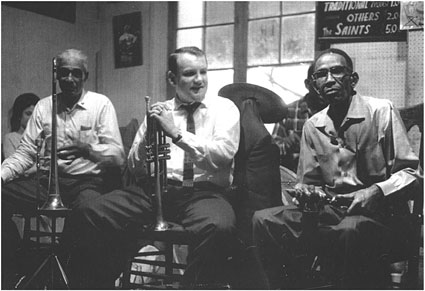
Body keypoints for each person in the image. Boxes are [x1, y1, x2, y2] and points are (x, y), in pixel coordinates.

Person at [65, 46, 240, 289]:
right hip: (154, 192)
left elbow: (222, 155)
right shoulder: (159, 111)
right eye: (190, 73)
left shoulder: (225, 108)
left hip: (203, 194)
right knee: (90, 211)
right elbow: (134, 168)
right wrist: (150, 133)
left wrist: (177, 134)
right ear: (172, 78)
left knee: (220, 226)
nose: (199, 80)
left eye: (203, 72)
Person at [252, 48, 422, 289]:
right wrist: (307, 192)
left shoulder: (381, 111)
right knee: (264, 220)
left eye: (337, 71)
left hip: (382, 216)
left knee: (349, 230)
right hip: (332, 212)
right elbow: (308, 181)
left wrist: (374, 191)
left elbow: (411, 175)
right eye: (321, 75)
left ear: (352, 79)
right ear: (314, 84)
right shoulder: (313, 125)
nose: (329, 79)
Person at [1, 49, 125, 289]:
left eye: (76, 73)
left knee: (88, 211)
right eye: (64, 73)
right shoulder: (43, 106)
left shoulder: (101, 104)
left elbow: (118, 155)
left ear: (85, 75)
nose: (69, 79)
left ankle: (73, 278)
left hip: (86, 183)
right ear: (56, 75)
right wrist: (2, 175)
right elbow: (26, 152)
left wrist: (87, 149)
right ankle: (14, 268)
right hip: (46, 183)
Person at [271, 64, 327, 172]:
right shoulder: (288, 111)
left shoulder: (335, 112)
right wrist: (287, 144)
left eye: (326, 85)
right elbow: (271, 152)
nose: (321, 90)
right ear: (307, 84)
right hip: (294, 178)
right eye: (317, 85)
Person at [3, 93, 40, 168]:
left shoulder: (42, 139)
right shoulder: (10, 138)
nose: (32, 118)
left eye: (35, 114)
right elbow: (15, 168)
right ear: (19, 115)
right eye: (28, 114)